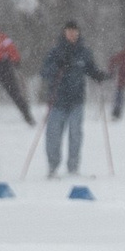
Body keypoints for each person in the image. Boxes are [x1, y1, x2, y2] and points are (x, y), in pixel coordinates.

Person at [37, 20, 108, 179]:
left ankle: (73, 168)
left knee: (76, 135)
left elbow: (90, 69)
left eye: (75, 31)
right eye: (69, 31)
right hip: (57, 100)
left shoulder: (84, 52)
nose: (73, 34)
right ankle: (53, 167)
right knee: (53, 135)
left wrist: (99, 75)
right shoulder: (55, 51)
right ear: (64, 32)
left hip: (77, 100)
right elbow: (44, 72)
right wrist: (58, 65)